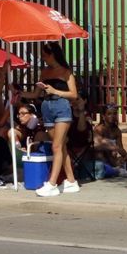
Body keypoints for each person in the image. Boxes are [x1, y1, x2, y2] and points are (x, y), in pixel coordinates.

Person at [33, 41, 80, 197]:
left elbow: (73, 94)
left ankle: (52, 183)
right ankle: (71, 181)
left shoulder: (66, 71)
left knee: (57, 147)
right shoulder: (44, 72)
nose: (44, 59)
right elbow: (35, 95)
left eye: (45, 56)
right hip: (47, 106)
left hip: (61, 106)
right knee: (60, 146)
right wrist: (18, 93)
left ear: (52, 54)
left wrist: (55, 90)